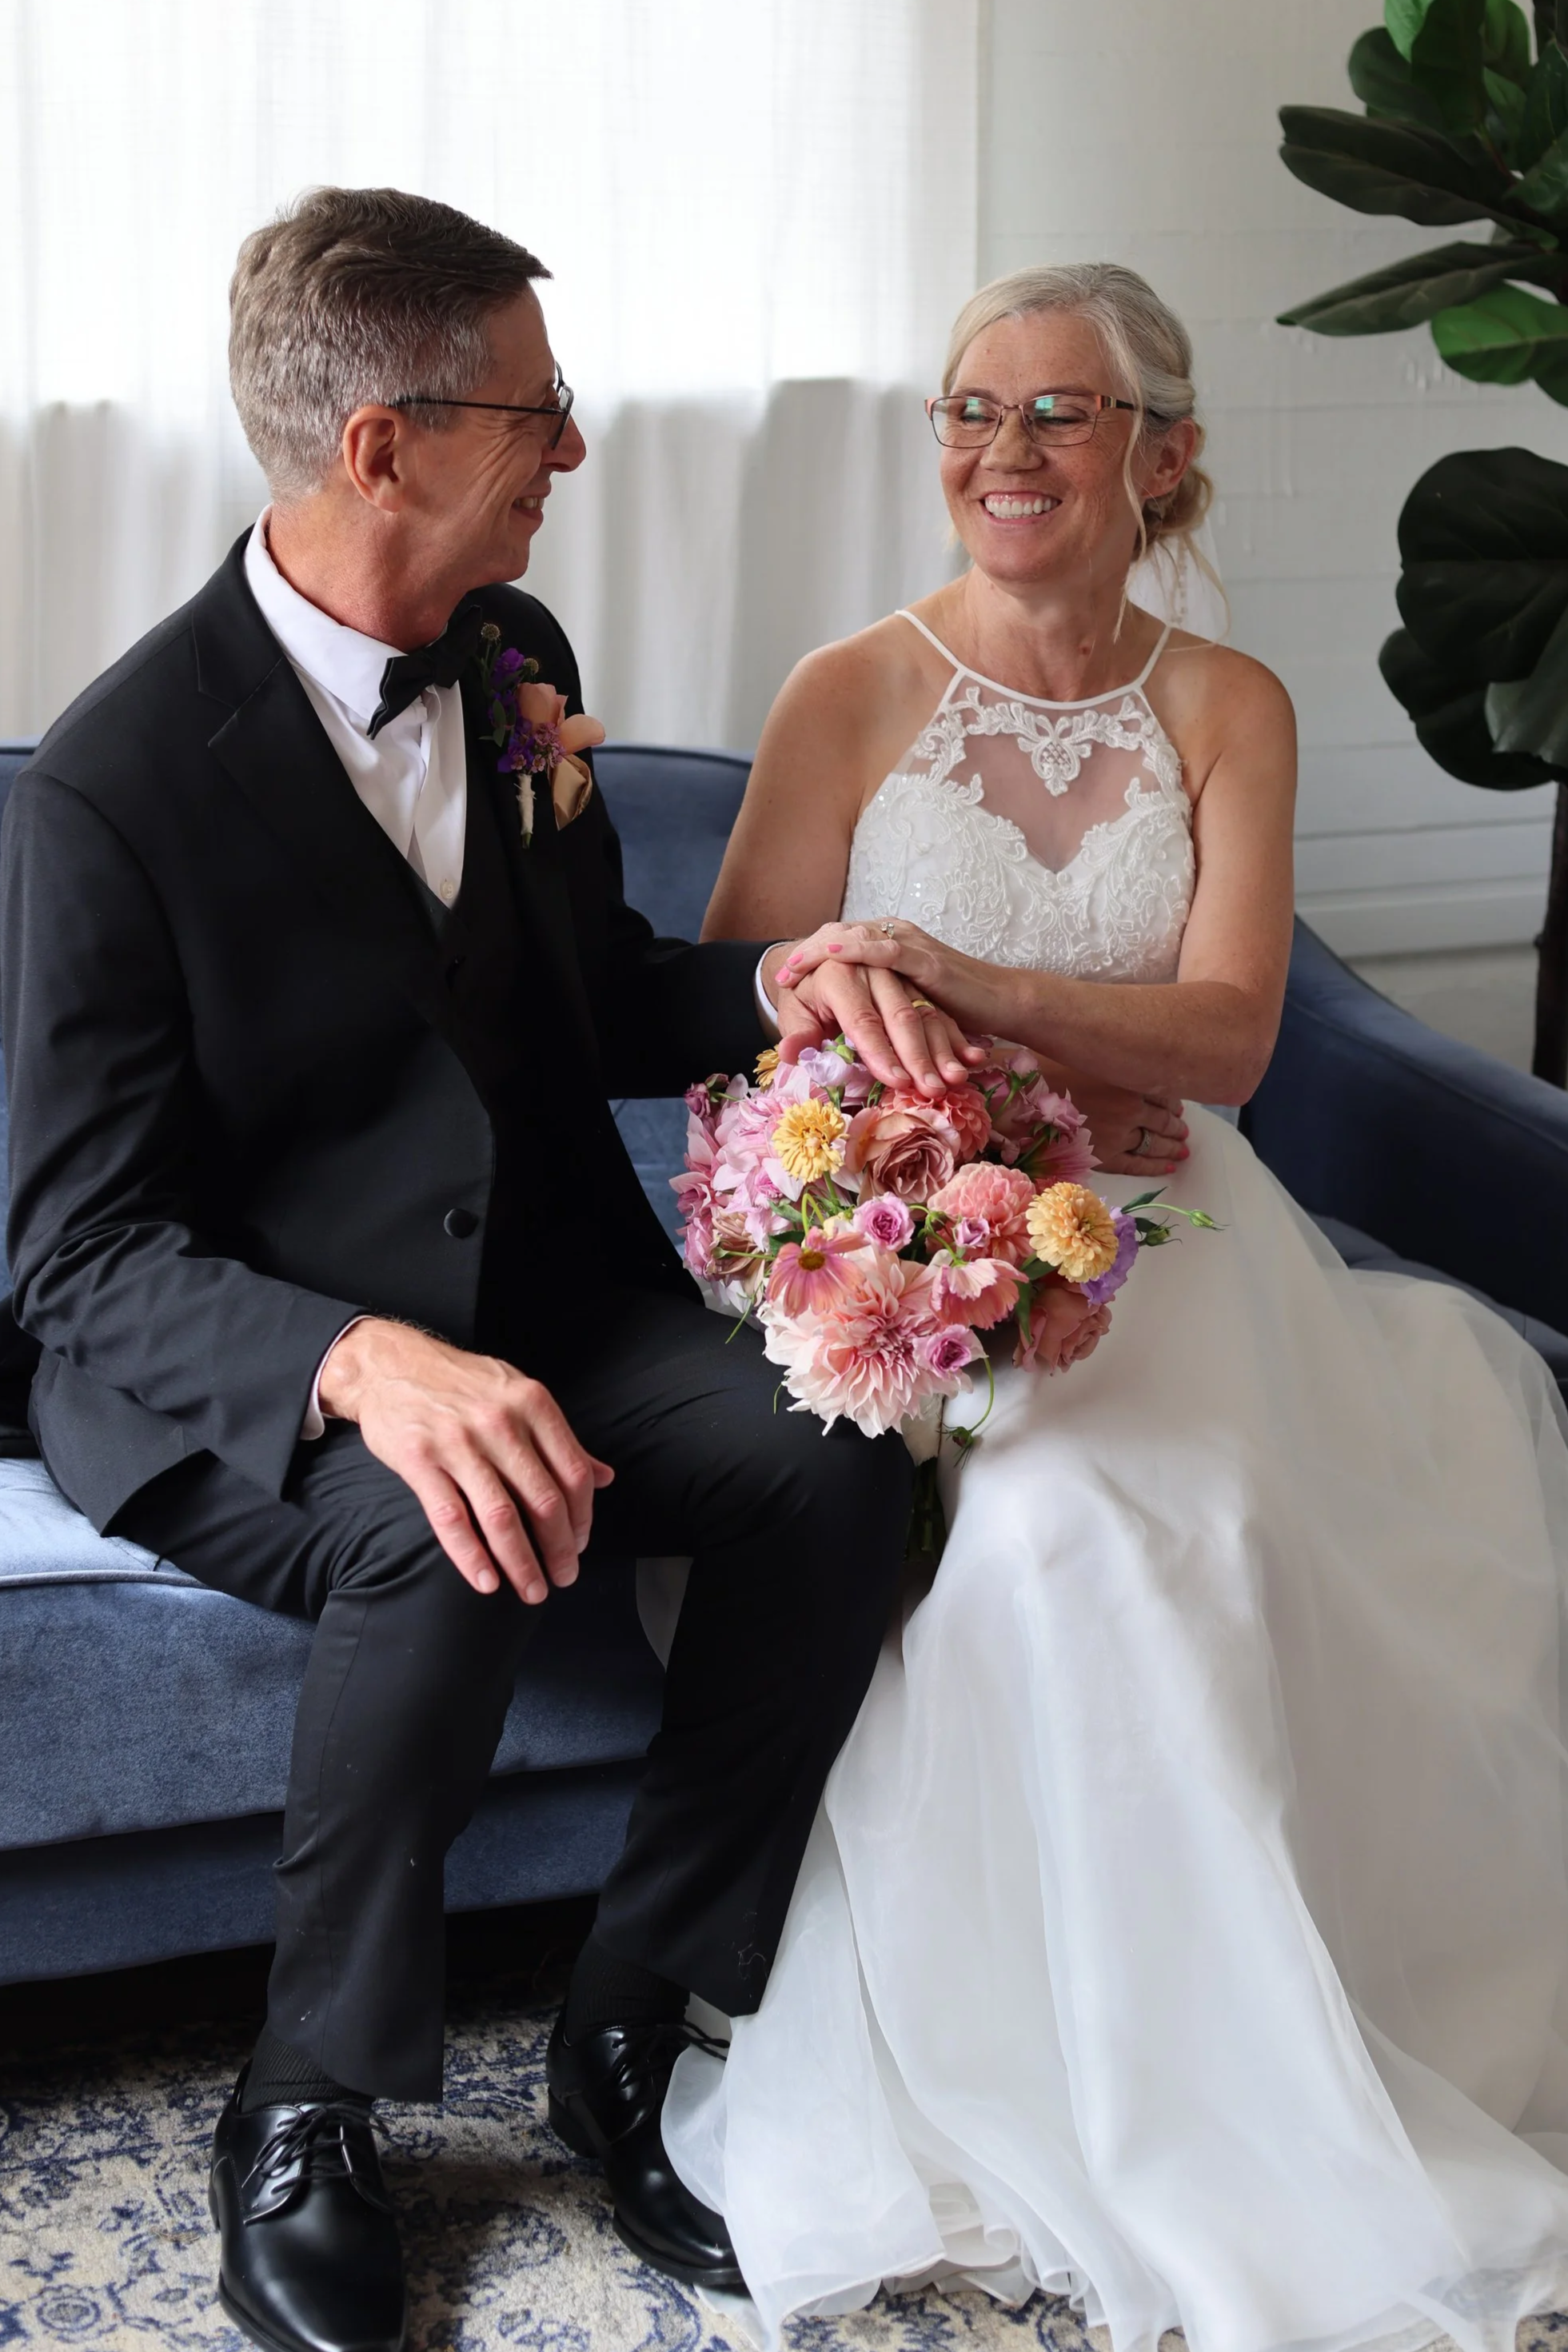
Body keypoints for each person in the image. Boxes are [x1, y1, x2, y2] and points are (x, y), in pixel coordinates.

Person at [0, 188, 975, 2352]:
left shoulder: (513, 657)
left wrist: (779, 987)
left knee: (832, 1455)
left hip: (538, 1300)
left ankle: (637, 2007)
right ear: (384, 446)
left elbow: (587, 992)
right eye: (538, 408)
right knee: (441, 1530)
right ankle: (308, 2098)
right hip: (237, 1359)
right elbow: (77, 1247)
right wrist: (363, 1361)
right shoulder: (111, 782)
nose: (575, 445)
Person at [667, 262, 1568, 2352]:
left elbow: (1230, 1038)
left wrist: (966, 982)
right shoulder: (849, 691)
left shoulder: (1228, 705)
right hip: (928, 1244)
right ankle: (1059, 2075)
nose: (1004, 451)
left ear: (1162, 453)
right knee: (1059, 1534)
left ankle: (1259, 2067)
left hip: (1181, 1237)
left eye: (1058, 411)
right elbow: (737, 1004)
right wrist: (936, 1094)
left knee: (1210, 1524)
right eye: (970, 409)